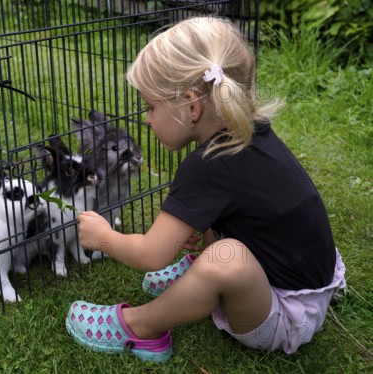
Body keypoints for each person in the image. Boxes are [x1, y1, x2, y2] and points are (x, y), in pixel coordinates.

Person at [65, 17, 346, 363]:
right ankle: (196, 275)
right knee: (222, 230)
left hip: (288, 315)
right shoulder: (248, 134)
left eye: (151, 107)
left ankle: (139, 326)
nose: (147, 120)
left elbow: (152, 255)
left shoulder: (209, 164)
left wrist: (104, 236)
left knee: (224, 261)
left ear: (191, 106)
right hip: (311, 280)